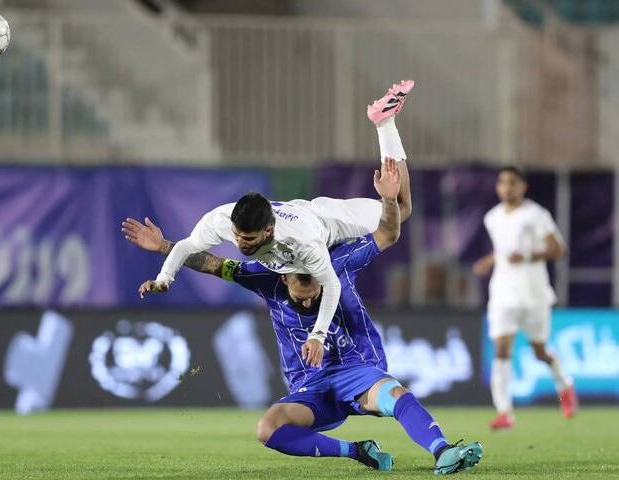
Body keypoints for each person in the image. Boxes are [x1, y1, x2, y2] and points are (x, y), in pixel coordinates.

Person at [122, 159, 483, 475]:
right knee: (267, 429)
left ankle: (443, 451)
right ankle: (358, 451)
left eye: (315, 294)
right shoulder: (265, 277)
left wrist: (389, 199)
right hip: (310, 385)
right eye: (302, 294)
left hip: (356, 370)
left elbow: (389, 231)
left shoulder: (337, 263)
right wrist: (165, 248)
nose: (309, 301)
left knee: (394, 393)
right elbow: (213, 263)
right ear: (283, 277)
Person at [138, 80, 415, 371]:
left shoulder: (303, 244)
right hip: (296, 216)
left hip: (326, 220)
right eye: (238, 236)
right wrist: (164, 278)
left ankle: (384, 123)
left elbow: (332, 285)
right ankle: (385, 121)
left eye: (248, 239)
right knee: (398, 210)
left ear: (268, 232)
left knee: (400, 208)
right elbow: (188, 246)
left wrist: (317, 336)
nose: (241, 244)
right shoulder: (219, 221)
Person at [473, 166, 578, 430]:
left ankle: (564, 385)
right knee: (501, 349)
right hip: (502, 292)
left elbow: (558, 249)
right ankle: (504, 412)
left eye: (512, 182)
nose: (507, 187)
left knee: (539, 352)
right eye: (502, 182)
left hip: (534, 293)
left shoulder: (536, 214)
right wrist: (489, 260)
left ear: (523, 187)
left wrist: (529, 256)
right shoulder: (492, 217)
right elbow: (503, 250)